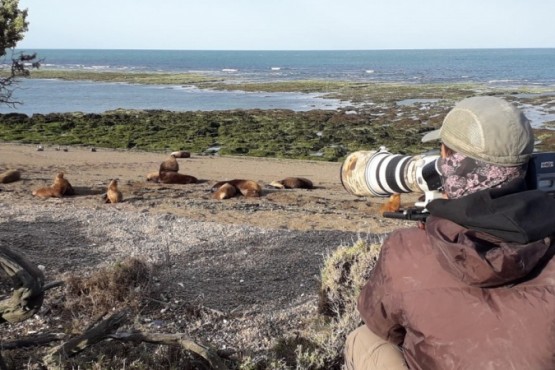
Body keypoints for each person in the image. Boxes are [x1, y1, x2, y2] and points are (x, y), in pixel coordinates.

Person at [344, 96, 555, 369]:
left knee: (363, 338)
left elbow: (381, 324)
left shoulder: (406, 251)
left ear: (446, 158)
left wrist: (435, 224)